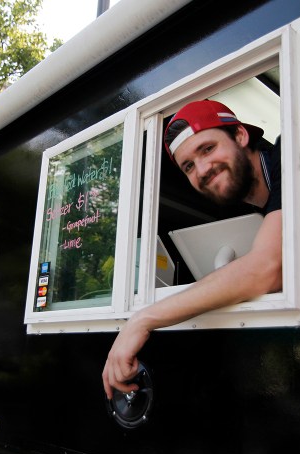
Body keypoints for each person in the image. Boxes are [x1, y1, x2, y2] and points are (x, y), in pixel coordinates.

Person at [102, 100, 283, 398]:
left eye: (207, 148)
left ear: (240, 135)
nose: (202, 170)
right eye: (188, 166)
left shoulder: (288, 156)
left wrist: (142, 319)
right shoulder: (252, 209)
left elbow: (266, 269)